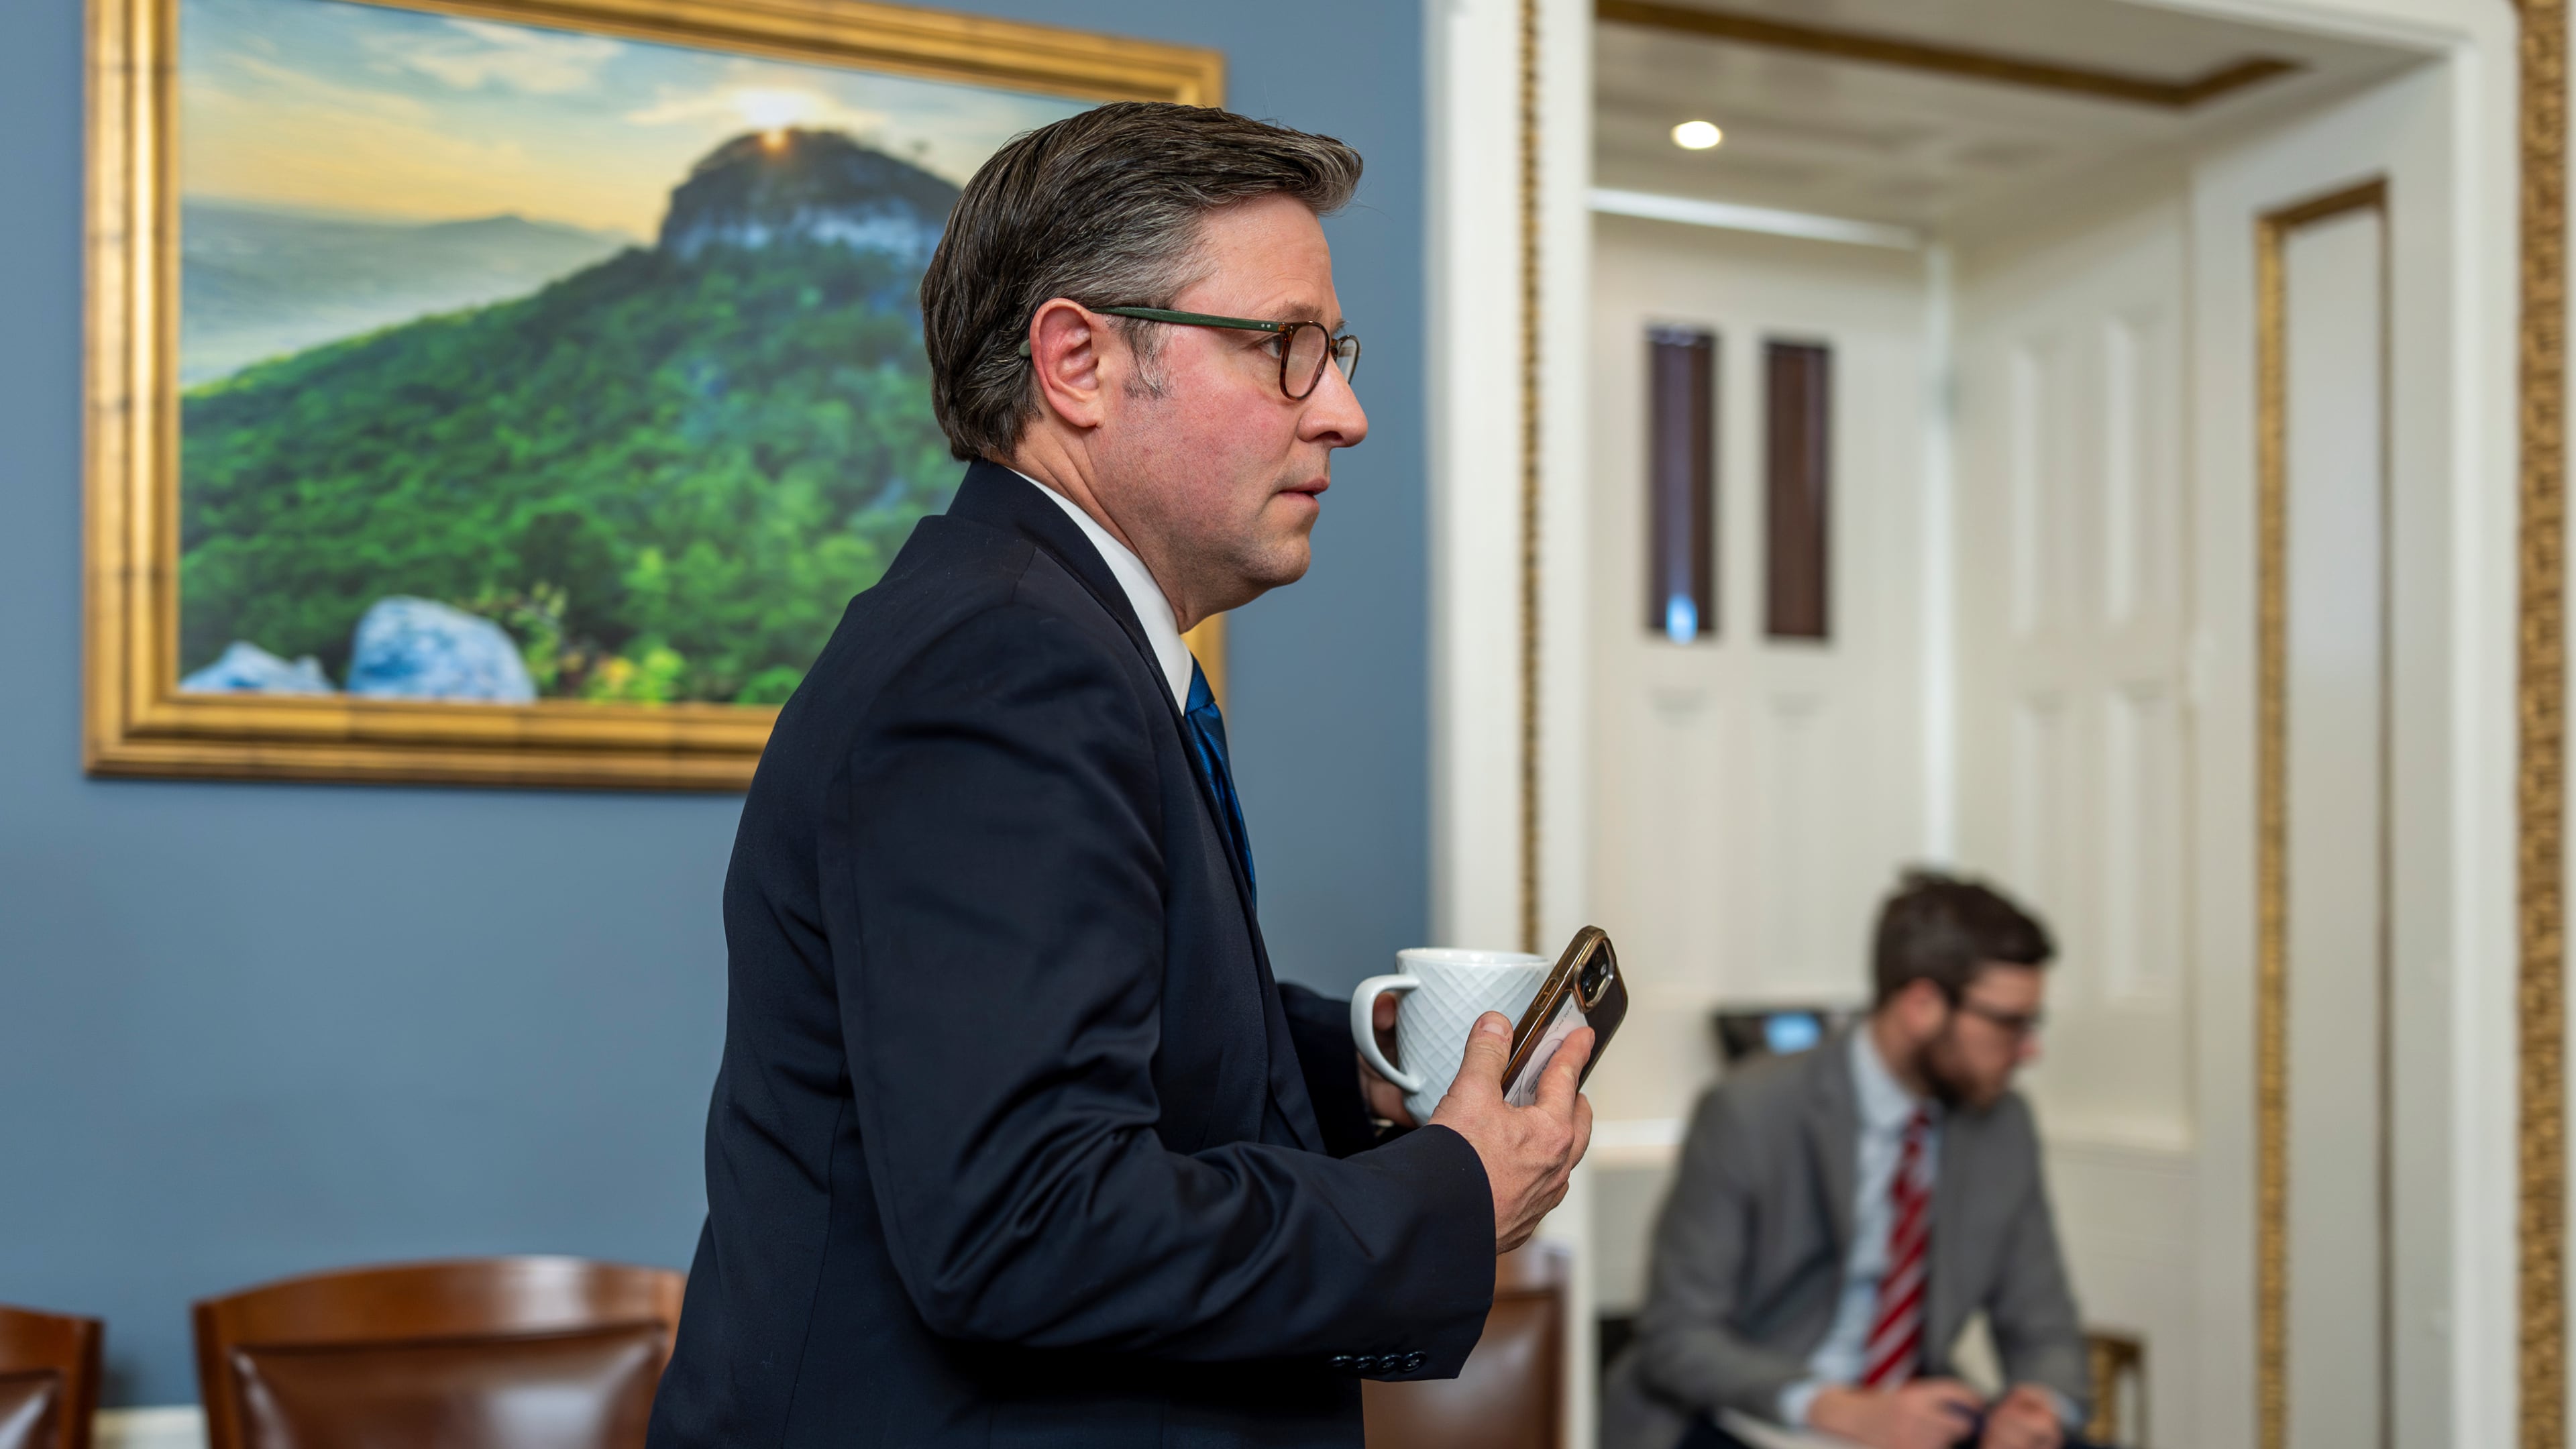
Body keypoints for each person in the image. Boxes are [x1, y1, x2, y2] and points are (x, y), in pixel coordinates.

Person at [645, 103, 1594, 1449]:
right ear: (1079, 361)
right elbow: (1028, 1221)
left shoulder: (1038, 629)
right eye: (1287, 349)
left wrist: (1368, 1059)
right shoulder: (1003, 664)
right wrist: (1449, 1197)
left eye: (1336, 352)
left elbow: (1099, 1013)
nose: (1346, 412)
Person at [1601, 870, 2096, 1449]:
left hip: (1918, 1415)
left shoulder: (2002, 1125)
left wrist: (2036, 1408)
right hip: (1755, 1412)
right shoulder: (1750, 1109)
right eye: (2010, 1023)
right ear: (1921, 1005)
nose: (2029, 1050)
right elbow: (1676, 1336)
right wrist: (1845, 1411)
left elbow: (2046, 1330)